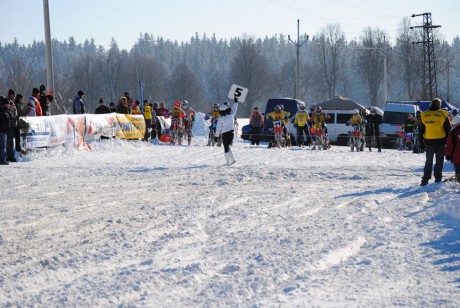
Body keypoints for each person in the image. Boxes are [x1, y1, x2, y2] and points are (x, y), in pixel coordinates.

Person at [419, 98, 451, 186]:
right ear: (439, 105)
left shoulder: (424, 115)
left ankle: (425, 180)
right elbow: (448, 129)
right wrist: (449, 143)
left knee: (428, 161)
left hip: (429, 142)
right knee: (439, 161)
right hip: (441, 142)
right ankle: (438, 179)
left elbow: (421, 130)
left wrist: (421, 143)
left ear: (431, 104)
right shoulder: (443, 114)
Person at [216, 97, 238, 165]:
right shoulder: (231, 115)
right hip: (231, 133)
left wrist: (216, 136)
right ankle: (232, 160)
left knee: (226, 147)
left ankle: (228, 162)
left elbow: (218, 128)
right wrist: (236, 102)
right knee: (227, 146)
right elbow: (234, 108)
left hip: (224, 134)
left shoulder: (220, 119)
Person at [445, 115, 460, 183]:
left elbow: (450, 145)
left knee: (458, 173)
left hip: (457, 156)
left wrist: (447, 154)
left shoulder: (453, 132)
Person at [0, 98, 12, 165]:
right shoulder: (2, 111)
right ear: (4, 104)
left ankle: (3, 159)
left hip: (4, 130)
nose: (8, 105)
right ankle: (2, 160)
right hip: (2, 130)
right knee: (3, 146)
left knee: (3, 146)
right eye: (7, 104)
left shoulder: (6, 110)